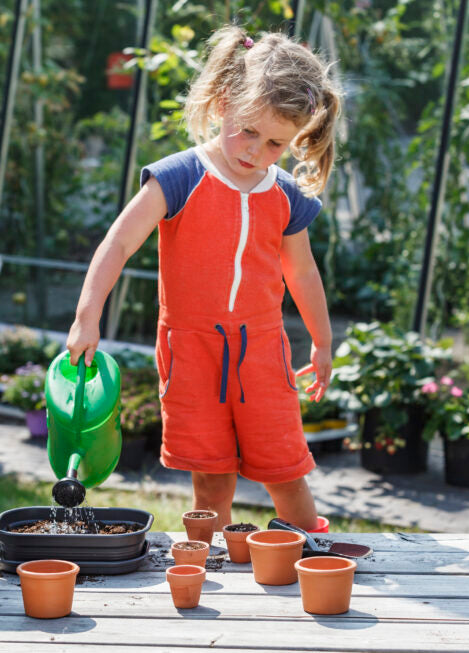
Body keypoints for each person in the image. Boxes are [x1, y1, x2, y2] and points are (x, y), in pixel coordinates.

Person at [66, 26, 340, 531]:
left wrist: (322, 343)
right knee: (210, 478)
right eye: (248, 131)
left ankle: (313, 554)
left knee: (285, 471)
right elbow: (118, 243)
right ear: (220, 103)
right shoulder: (179, 177)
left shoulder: (285, 195)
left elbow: (301, 270)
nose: (256, 151)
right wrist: (87, 318)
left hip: (263, 350)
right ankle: (212, 564)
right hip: (191, 351)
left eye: (276, 142)